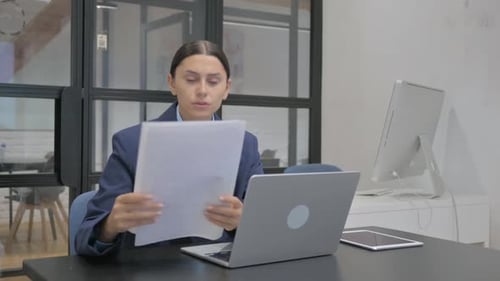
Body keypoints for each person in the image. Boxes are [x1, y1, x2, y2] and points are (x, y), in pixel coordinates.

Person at [75, 40, 264, 256]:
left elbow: (261, 227)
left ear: (227, 88)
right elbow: (85, 238)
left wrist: (243, 222)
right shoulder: (131, 143)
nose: (202, 91)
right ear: (172, 83)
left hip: (217, 265)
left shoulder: (245, 144)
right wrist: (110, 226)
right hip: (149, 266)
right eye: (191, 80)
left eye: (213, 81)